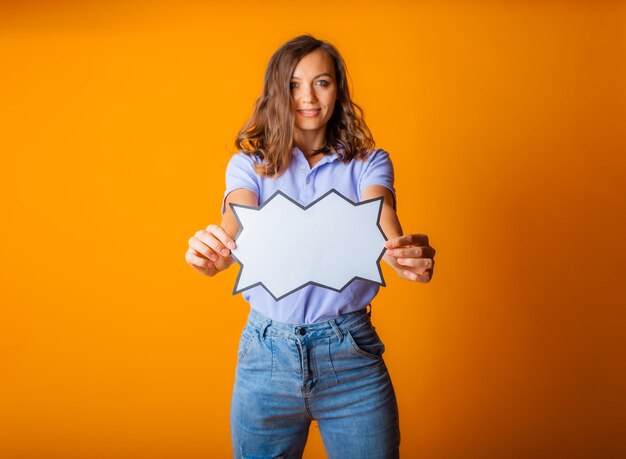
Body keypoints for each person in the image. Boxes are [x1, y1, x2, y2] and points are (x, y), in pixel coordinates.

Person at [185, 34, 436, 459]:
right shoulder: (249, 165)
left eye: (321, 82)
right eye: (294, 84)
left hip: (350, 356)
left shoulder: (368, 163)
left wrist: (403, 251)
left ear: (338, 89)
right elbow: (238, 219)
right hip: (266, 359)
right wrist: (213, 250)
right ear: (276, 92)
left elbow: (380, 211)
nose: (308, 97)